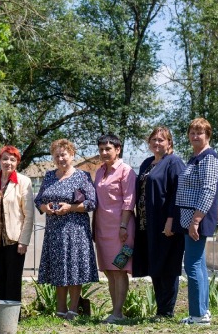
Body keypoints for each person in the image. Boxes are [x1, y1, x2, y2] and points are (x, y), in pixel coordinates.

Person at [34, 139, 97, 320]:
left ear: (72, 155)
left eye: (64, 154)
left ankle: (73, 309)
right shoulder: (48, 176)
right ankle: (60, 310)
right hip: (54, 230)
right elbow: (39, 200)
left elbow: (92, 203)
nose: (61, 158)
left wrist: (70, 207)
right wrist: (45, 208)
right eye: (57, 155)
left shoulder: (82, 176)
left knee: (74, 269)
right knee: (58, 269)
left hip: (75, 230)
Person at [132, 127, 186, 319]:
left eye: (161, 140)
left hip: (166, 224)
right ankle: (160, 310)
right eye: (153, 139)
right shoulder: (147, 163)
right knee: (155, 265)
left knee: (168, 266)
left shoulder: (174, 162)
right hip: (148, 224)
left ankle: (167, 311)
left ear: (169, 143)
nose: (157, 143)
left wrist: (171, 220)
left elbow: (177, 194)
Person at [176, 117, 218, 326]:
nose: (195, 136)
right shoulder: (196, 157)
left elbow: (209, 190)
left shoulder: (209, 158)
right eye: (192, 132)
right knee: (199, 264)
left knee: (192, 265)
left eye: (200, 133)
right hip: (191, 217)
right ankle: (202, 311)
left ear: (208, 135)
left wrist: (195, 220)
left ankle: (198, 315)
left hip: (198, 218)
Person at [93, 133, 136, 323]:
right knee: (109, 271)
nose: (104, 152)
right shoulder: (99, 171)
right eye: (101, 149)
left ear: (118, 150)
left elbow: (129, 201)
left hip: (121, 228)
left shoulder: (126, 171)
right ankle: (114, 310)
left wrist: (123, 226)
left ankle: (118, 313)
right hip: (102, 228)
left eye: (108, 149)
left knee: (119, 269)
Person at [0, 145, 35, 302]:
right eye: (5, 159)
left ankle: (12, 317)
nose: (8, 162)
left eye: (12, 160)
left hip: (15, 240)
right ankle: (0, 315)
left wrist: (24, 240)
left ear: (17, 162)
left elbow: (29, 214)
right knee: (0, 278)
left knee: (13, 280)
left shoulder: (23, 182)